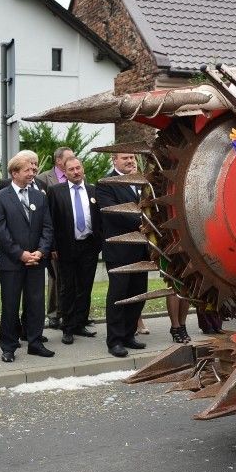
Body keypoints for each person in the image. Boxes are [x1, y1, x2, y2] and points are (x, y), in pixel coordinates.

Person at [0, 152, 54, 362]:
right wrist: (20, 254)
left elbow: (48, 227)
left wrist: (41, 251)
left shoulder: (39, 196)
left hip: (36, 260)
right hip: (12, 262)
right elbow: (0, 231)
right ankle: (9, 346)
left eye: (33, 170)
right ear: (14, 172)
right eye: (27, 170)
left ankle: (35, 342)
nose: (32, 173)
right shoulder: (0, 197)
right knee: (10, 305)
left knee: (36, 303)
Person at [46, 156, 100, 345]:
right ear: (65, 172)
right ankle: (67, 327)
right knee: (67, 288)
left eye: (78, 168)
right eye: (71, 170)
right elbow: (50, 220)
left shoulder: (93, 190)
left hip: (89, 246)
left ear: (82, 169)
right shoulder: (55, 191)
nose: (76, 172)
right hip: (65, 247)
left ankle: (80, 323)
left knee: (85, 287)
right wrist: (52, 247)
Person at [98, 153, 148, 358]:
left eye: (132, 157)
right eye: (125, 158)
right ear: (114, 160)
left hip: (141, 250)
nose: (130, 161)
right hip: (119, 250)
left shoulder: (141, 182)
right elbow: (115, 211)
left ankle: (128, 335)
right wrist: (143, 223)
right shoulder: (105, 184)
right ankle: (115, 340)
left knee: (138, 293)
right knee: (119, 295)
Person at [38, 147, 75, 331]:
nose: (73, 160)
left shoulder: (75, 175)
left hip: (73, 237)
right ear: (59, 161)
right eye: (70, 158)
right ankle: (54, 313)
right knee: (55, 277)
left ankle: (73, 313)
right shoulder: (45, 178)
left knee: (73, 278)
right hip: (54, 236)